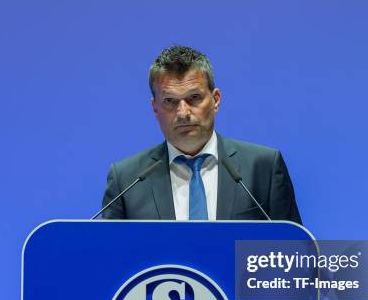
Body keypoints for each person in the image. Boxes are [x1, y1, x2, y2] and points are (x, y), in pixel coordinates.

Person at [101, 45, 302, 223]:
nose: (183, 113)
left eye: (194, 98)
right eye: (170, 101)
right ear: (155, 108)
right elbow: (109, 259)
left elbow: (294, 256)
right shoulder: (127, 180)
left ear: (215, 100)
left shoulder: (263, 168)